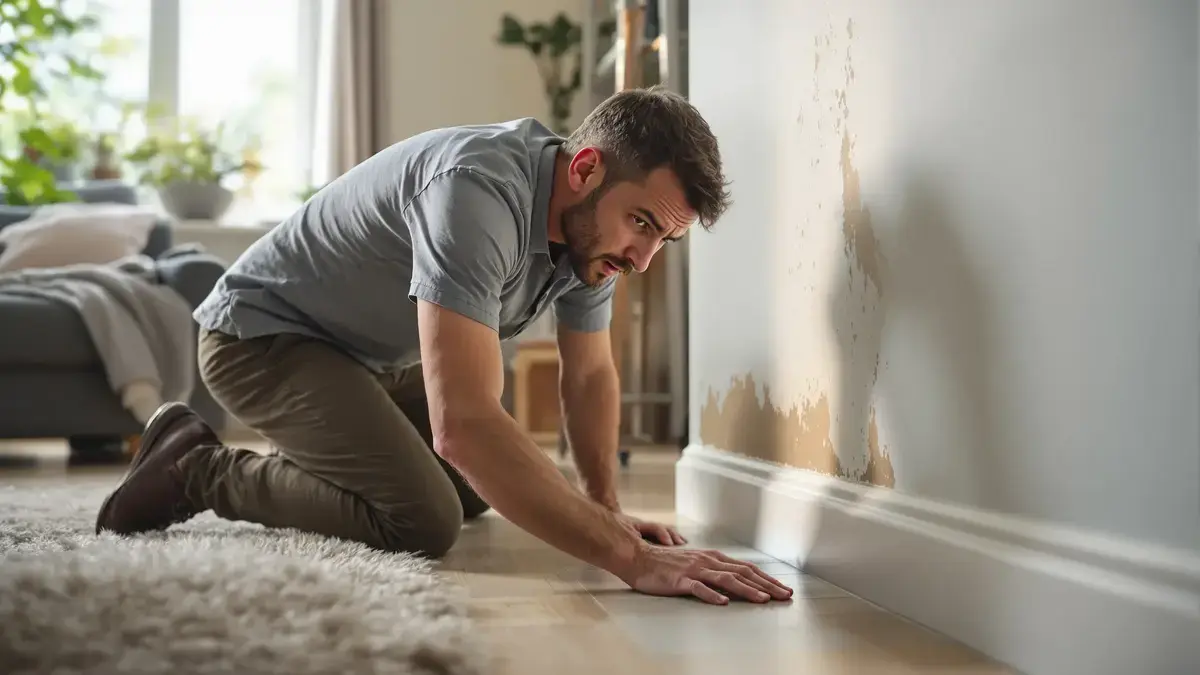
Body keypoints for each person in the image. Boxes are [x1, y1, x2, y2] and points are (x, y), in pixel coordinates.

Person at [95, 86, 793, 606]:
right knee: (422, 516)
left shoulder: (591, 238)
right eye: (641, 223)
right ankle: (197, 467)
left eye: (663, 239)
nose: (642, 259)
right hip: (259, 337)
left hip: (365, 361)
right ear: (585, 169)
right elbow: (463, 425)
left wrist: (605, 508)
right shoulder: (478, 192)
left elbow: (588, 375)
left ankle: (325, 451)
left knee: (476, 489)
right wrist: (632, 561)